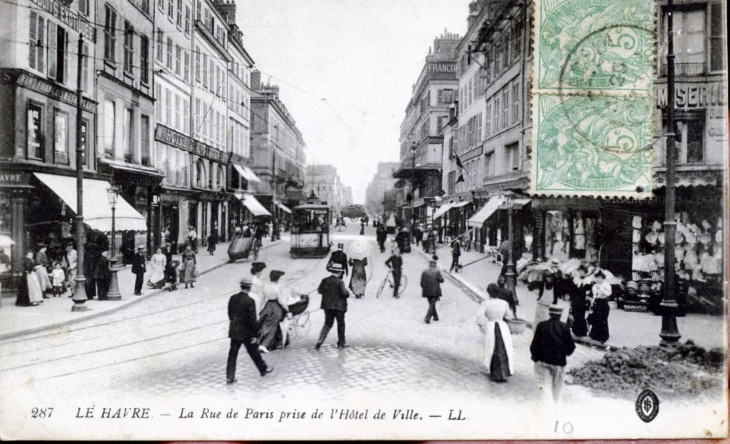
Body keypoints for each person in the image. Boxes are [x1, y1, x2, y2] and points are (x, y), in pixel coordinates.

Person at [226, 276, 275, 384]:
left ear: (241, 286)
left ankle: (230, 376)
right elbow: (252, 320)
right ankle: (263, 369)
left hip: (235, 331)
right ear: (249, 288)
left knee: (232, 354)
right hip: (246, 332)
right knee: (253, 352)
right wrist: (255, 335)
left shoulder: (232, 298)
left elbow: (230, 314)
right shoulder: (250, 301)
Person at [530, 305, 576, 403]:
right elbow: (571, 347)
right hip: (559, 362)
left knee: (545, 386)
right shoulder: (565, 327)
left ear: (549, 313)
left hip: (543, 360)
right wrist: (565, 354)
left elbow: (534, 344)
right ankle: (555, 407)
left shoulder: (541, 325)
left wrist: (536, 359)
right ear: (561, 315)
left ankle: (547, 407)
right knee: (557, 388)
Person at [477, 285, 515, 382]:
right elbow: (509, 316)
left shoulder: (485, 303)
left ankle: (494, 371)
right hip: (502, 327)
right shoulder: (504, 303)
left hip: (491, 326)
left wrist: (482, 326)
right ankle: (505, 371)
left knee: (492, 347)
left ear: (489, 293)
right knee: (504, 347)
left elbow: (479, 316)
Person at [315, 265, 351, 349]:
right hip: (339, 307)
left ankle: (321, 339)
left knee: (328, 323)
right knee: (340, 323)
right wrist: (347, 293)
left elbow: (319, 291)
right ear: (339, 272)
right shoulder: (340, 282)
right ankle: (341, 342)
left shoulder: (324, 280)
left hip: (327, 307)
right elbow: (344, 293)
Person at [258, 270, 289, 353]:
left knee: (266, 324)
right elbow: (281, 300)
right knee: (273, 326)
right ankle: (264, 345)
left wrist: (260, 309)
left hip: (267, 306)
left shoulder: (265, 286)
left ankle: (271, 342)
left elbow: (261, 299)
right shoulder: (278, 287)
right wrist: (287, 309)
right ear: (278, 279)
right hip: (275, 307)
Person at [588, 271, 611, 343]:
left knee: (603, 319)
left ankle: (603, 336)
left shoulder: (606, 285)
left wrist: (601, 288)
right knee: (596, 318)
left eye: (600, 278)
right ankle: (595, 335)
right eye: (597, 278)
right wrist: (592, 303)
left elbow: (609, 293)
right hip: (597, 303)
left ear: (603, 278)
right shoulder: (594, 286)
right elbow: (594, 295)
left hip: (603, 302)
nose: (598, 279)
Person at [421, 255, 444, 324]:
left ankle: (435, 317)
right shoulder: (437, 272)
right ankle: (427, 318)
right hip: (435, 290)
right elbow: (442, 280)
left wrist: (425, 288)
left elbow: (422, 282)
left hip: (427, 291)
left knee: (431, 304)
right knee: (432, 304)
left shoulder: (424, 272)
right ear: (434, 265)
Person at [568, 266, 590, 337]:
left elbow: (588, 292)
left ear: (585, 273)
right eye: (579, 271)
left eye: (582, 272)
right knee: (574, 315)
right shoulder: (575, 279)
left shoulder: (588, 281)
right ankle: (575, 331)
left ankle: (581, 332)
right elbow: (571, 290)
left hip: (582, 301)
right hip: (575, 300)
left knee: (581, 316)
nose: (580, 273)